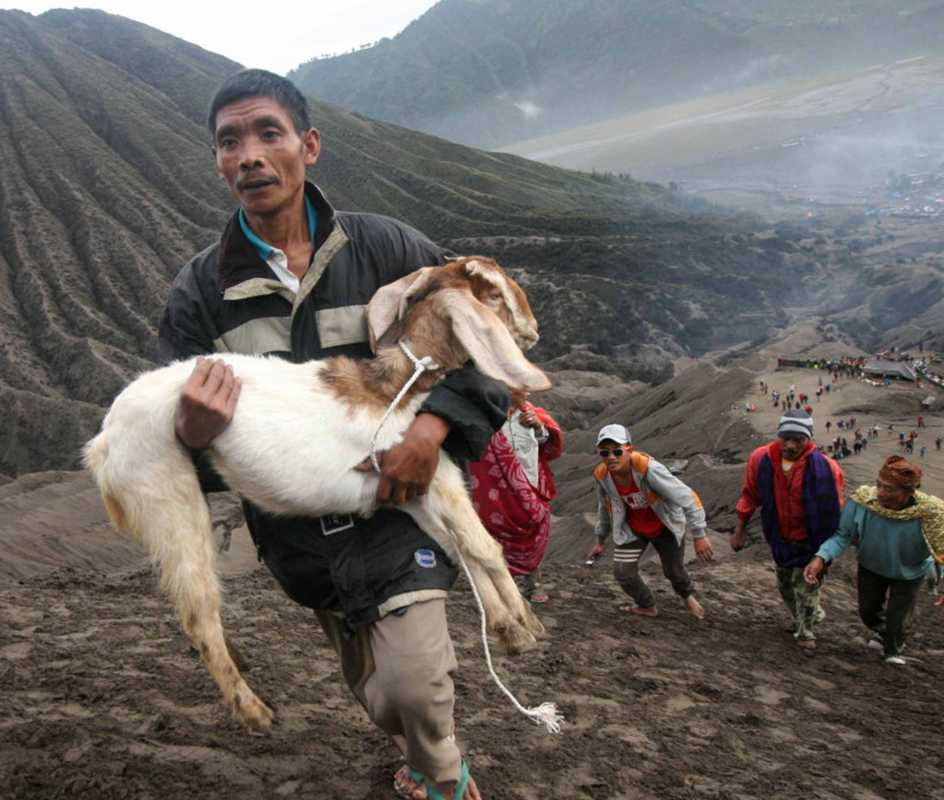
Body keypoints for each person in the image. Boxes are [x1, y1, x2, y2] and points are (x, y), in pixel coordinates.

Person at [158, 70, 505, 800]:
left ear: (307, 146)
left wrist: (435, 428)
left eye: (267, 134)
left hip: (400, 506)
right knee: (385, 704)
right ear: (218, 162)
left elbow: (484, 351)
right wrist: (193, 434)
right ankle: (416, 744)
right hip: (301, 541)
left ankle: (442, 778)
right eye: (230, 142)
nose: (249, 154)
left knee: (413, 689)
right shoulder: (199, 294)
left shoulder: (386, 251)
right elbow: (197, 447)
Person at [804, 457, 944, 665]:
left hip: (910, 571)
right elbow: (843, 535)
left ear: (908, 492)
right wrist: (821, 557)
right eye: (878, 484)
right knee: (868, 611)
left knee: (899, 616)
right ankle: (883, 631)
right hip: (872, 566)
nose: (879, 492)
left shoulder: (931, 513)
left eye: (888, 488)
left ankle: (893, 651)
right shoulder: (863, 503)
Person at [732, 409, 845, 650]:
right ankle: (807, 615)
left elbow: (835, 510)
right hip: (779, 536)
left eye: (798, 439)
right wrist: (739, 530)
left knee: (806, 586)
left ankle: (806, 633)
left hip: (813, 539)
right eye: (786, 438)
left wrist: (826, 552)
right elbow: (750, 495)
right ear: (778, 435)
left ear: (809, 439)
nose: (791, 445)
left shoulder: (827, 469)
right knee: (785, 585)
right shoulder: (761, 460)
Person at [586, 424, 713, 619]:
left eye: (617, 451)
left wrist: (699, 534)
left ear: (629, 449)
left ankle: (686, 596)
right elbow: (605, 507)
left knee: (674, 572)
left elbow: (688, 497)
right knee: (623, 572)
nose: (611, 457)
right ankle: (647, 605)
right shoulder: (602, 476)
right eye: (605, 452)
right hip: (632, 528)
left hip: (665, 526)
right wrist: (600, 540)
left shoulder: (647, 469)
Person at [470, 392, 563, 604]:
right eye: (521, 388)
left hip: (530, 487)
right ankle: (503, 587)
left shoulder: (531, 413)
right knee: (500, 536)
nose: (527, 392)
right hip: (498, 491)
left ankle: (533, 584)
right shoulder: (488, 416)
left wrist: (539, 427)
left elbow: (546, 443)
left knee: (532, 534)